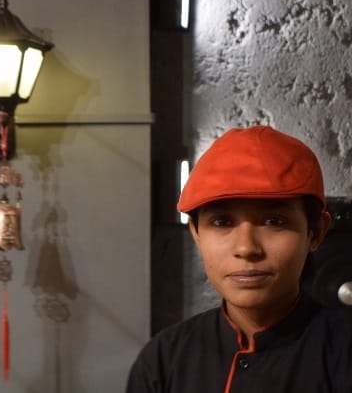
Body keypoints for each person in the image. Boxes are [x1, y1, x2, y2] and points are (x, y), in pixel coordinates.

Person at [126, 125, 352, 392]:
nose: (246, 248)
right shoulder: (162, 361)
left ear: (315, 232)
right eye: (221, 222)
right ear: (196, 233)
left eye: (274, 221)